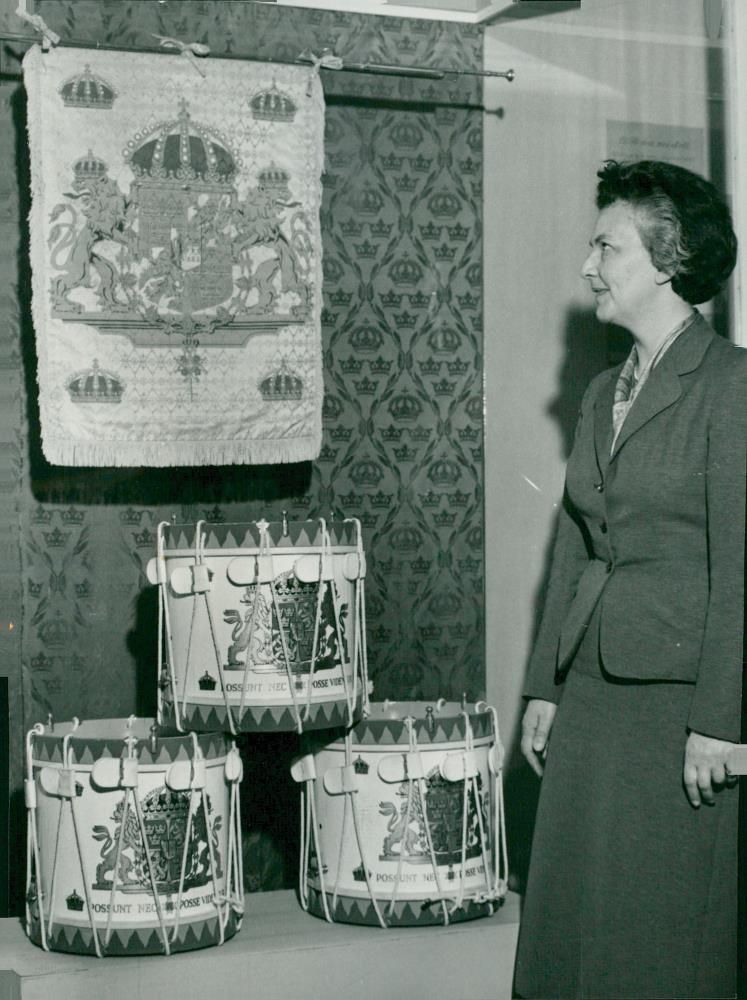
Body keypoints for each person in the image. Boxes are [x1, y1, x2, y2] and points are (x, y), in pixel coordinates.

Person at [513, 160, 747, 999]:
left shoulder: (732, 386)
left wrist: (721, 722)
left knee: (658, 937)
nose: (587, 267)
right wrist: (545, 688)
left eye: (605, 247)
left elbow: (742, 567)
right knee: (574, 924)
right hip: (592, 695)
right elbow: (576, 545)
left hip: (678, 711)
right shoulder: (599, 392)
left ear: (668, 259)